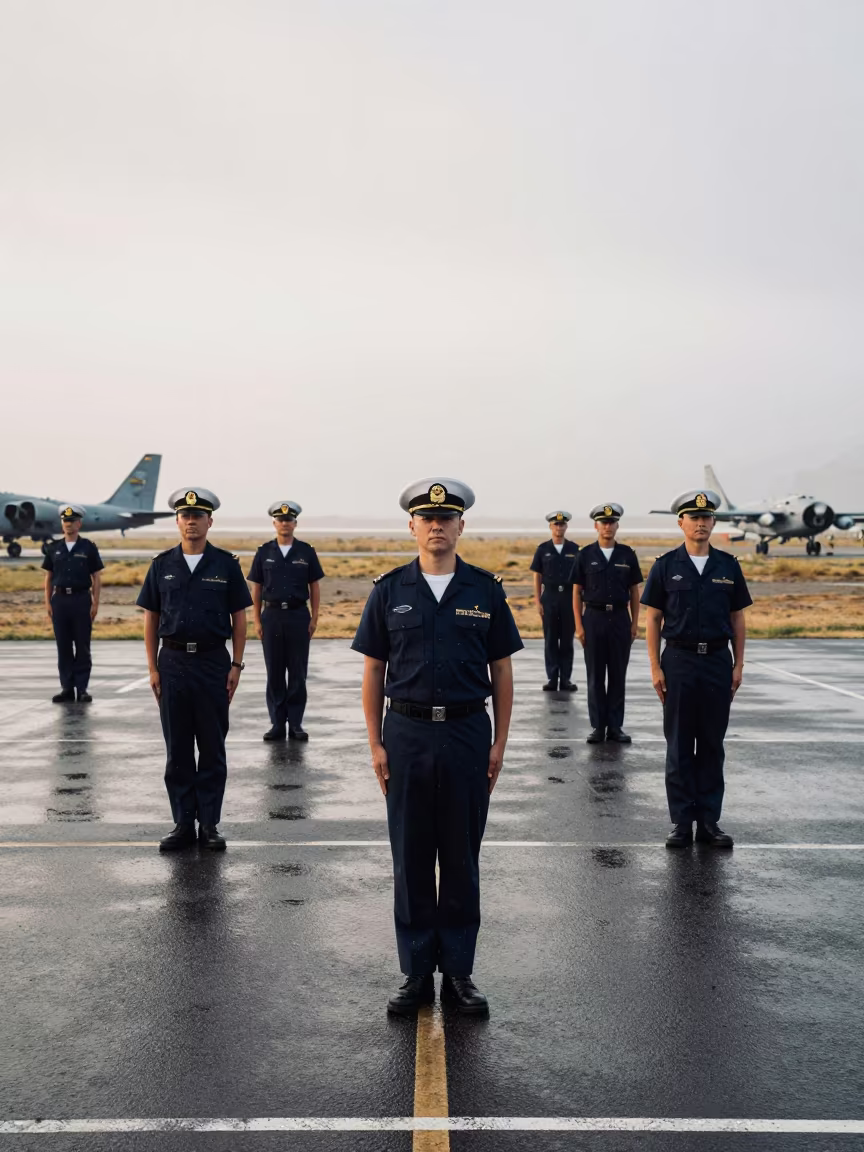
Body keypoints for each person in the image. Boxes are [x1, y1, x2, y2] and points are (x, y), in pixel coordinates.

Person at [352, 477, 523, 1018]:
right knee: (411, 855)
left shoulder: (485, 590)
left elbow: (502, 670)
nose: (436, 526)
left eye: (446, 518)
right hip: (405, 734)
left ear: (460, 526)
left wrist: (499, 742)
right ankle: (416, 972)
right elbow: (374, 670)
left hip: (468, 733)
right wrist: (376, 743)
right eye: (427, 518)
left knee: (460, 856)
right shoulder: (389, 590)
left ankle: (460, 973)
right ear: (412, 526)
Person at [136, 488, 252, 853]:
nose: (191, 521)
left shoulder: (225, 564)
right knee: (178, 749)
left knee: (213, 748)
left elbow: (240, 618)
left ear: (209, 521)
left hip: (212, 663)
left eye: (198, 516)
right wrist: (152, 668)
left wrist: (236, 664)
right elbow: (151, 618)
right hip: (172, 664)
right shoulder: (162, 565)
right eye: (185, 516)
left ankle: (210, 824)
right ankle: (183, 823)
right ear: (177, 521)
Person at [641, 490, 752, 849]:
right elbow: (653, 618)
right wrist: (656, 667)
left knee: (711, 744)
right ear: (681, 523)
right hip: (679, 661)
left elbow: (737, 617)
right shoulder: (666, 565)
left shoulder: (728, 566)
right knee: (678, 743)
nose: (701, 523)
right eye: (694, 517)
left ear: (713, 522)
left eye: (706, 518)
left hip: (718, 661)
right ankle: (681, 822)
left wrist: (738, 663)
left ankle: (708, 821)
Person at [247, 501, 325, 742]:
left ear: (295, 523)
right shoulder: (264, 552)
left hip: (297, 616)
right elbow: (256, 588)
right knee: (275, 672)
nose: (285, 523)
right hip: (271, 617)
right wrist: (257, 620)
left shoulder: (306, 551)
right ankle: (277, 723)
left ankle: (296, 724)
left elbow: (314, 586)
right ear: (274, 523)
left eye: (289, 520)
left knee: (298, 672)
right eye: (280, 520)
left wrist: (314, 617)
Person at [574, 504, 643, 743]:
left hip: (620, 620)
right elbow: (577, 591)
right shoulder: (585, 555)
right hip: (593, 618)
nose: (607, 526)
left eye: (612, 522)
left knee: (617, 675)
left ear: (617, 525)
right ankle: (598, 727)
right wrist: (579, 626)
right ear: (596, 525)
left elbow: (634, 591)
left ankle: (615, 727)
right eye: (603, 522)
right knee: (595, 676)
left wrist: (635, 623)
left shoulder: (627, 554)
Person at [42, 504, 104, 703]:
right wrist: (48, 602)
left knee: (82, 645)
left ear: (79, 523)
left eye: (72, 521)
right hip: (60, 600)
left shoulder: (88, 547)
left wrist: (95, 603)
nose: (68, 524)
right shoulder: (54, 548)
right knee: (63, 646)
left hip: (81, 599)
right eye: (65, 521)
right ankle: (67, 688)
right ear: (62, 524)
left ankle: (82, 688)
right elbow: (48, 577)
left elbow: (96, 576)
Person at [530, 511, 580, 691]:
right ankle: (552, 678)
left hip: (568, 598)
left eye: (562, 524)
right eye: (556, 525)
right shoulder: (543, 549)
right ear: (550, 527)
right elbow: (537, 575)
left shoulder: (574, 549)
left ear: (566, 526)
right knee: (550, 639)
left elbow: (580, 578)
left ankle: (565, 678)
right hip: (549, 597)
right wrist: (538, 600)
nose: (559, 527)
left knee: (567, 640)